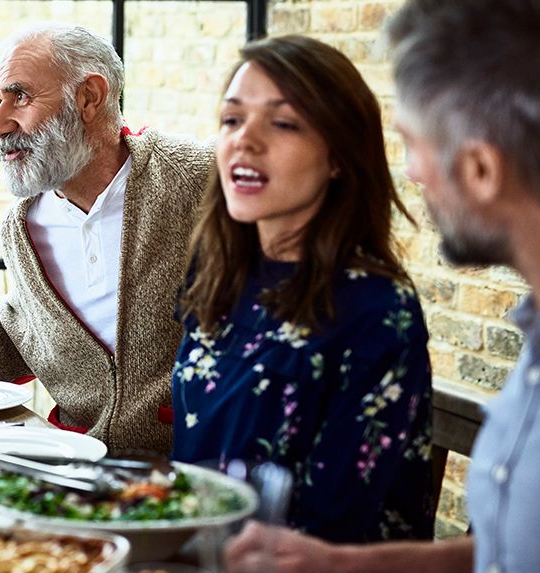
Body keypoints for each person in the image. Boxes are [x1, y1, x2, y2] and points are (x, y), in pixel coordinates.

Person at [225, 0, 540, 573]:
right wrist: (332, 565)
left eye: (413, 143)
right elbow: (513, 565)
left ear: (482, 168)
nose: (412, 172)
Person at [0, 23, 213, 455]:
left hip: (197, 465)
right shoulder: (23, 225)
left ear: (89, 97)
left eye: (21, 97)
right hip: (73, 466)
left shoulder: (200, 181)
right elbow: (30, 333)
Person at [171, 35, 433, 544]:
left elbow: (337, 525)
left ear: (338, 156)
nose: (244, 140)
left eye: (283, 123)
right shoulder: (221, 272)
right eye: (232, 119)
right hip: (198, 567)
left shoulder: (375, 307)